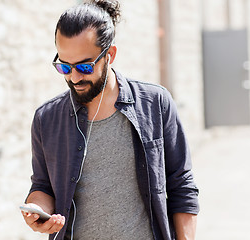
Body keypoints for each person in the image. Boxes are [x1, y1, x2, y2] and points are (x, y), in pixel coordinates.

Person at [22, 0, 199, 239]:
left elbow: (181, 184)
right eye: (64, 67)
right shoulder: (47, 119)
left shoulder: (155, 103)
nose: (74, 78)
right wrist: (38, 212)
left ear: (110, 55)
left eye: (84, 67)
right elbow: (43, 187)